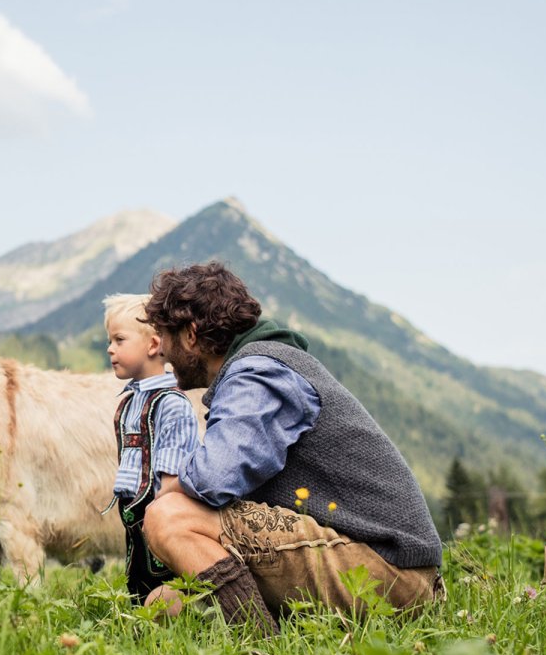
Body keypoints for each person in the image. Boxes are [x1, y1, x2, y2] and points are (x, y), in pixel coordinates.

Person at [140, 263, 443, 635]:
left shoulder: (260, 373)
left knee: (169, 516)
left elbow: (214, 477)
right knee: (164, 606)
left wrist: (169, 490)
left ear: (190, 335)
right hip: (376, 565)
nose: (161, 352)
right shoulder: (262, 367)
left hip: (388, 571)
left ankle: (261, 649)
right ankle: (273, 630)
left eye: (164, 337)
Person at [100, 294, 201, 608]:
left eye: (119, 340)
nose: (110, 349)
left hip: (158, 509)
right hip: (133, 507)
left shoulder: (171, 404)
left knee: (163, 573)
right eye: (110, 340)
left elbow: (173, 473)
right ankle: (140, 613)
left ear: (154, 345)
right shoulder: (130, 402)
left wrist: (160, 508)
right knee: (138, 571)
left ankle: (177, 616)